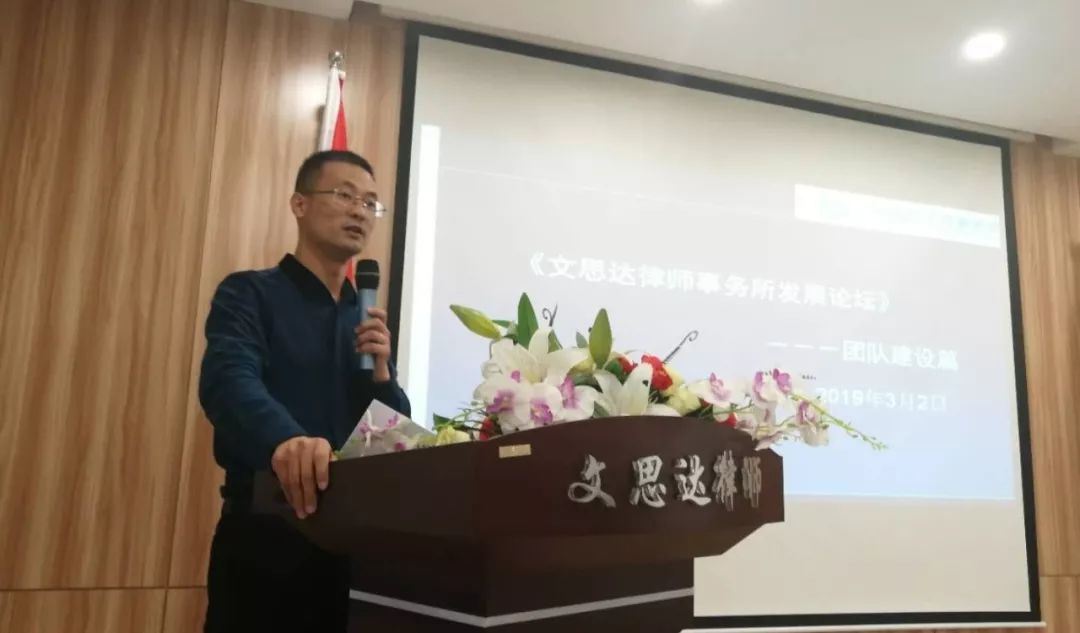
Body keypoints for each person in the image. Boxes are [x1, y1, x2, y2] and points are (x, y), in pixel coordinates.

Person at [199, 150, 410, 632]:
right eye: (345, 195)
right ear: (299, 204)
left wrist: (382, 377)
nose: (360, 212)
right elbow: (228, 380)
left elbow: (387, 435)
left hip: (357, 547)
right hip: (267, 539)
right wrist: (286, 440)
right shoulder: (249, 293)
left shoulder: (366, 317)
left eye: (370, 203)